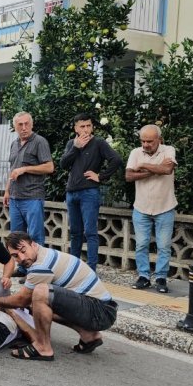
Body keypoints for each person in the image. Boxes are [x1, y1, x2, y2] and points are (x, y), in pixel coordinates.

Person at [0, 231, 118, 361]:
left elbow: (21, 300)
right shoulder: (43, 253)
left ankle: (42, 347)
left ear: (33, 245)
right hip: (100, 310)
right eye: (15, 256)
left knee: (40, 292)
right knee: (37, 304)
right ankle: (89, 335)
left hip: (100, 312)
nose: (22, 258)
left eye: (23, 251)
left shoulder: (41, 265)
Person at [59, 114, 122, 271]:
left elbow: (116, 160)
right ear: (75, 128)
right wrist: (76, 147)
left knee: (90, 232)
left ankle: (91, 269)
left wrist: (100, 176)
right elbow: (63, 164)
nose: (86, 129)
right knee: (75, 232)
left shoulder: (99, 143)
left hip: (89, 192)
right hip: (71, 192)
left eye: (88, 126)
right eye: (82, 126)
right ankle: (73, 268)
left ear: (92, 126)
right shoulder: (71, 144)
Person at [125, 125, 178, 294]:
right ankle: (144, 276)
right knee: (141, 245)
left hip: (165, 206)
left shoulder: (169, 150)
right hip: (141, 207)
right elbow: (129, 176)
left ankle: (161, 277)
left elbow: (168, 169)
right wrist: (156, 169)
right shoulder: (135, 153)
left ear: (159, 140)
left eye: (150, 141)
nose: (146, 144)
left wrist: (143, 165)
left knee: (163, 246)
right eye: (143, 141)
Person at [3, 112, 54, 246]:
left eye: (27, 124)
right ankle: (21, 266)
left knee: (35, 237)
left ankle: (38, 266)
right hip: (15, 198)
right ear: (15, 126)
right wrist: (7, 191)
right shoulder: (14, 144)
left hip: (32, 197)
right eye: (20, 124)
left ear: (32, 125)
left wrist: (25, 169)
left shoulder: (39, 141)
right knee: (16, 238)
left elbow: (49, 167)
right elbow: (12, 168)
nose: (24, 127)